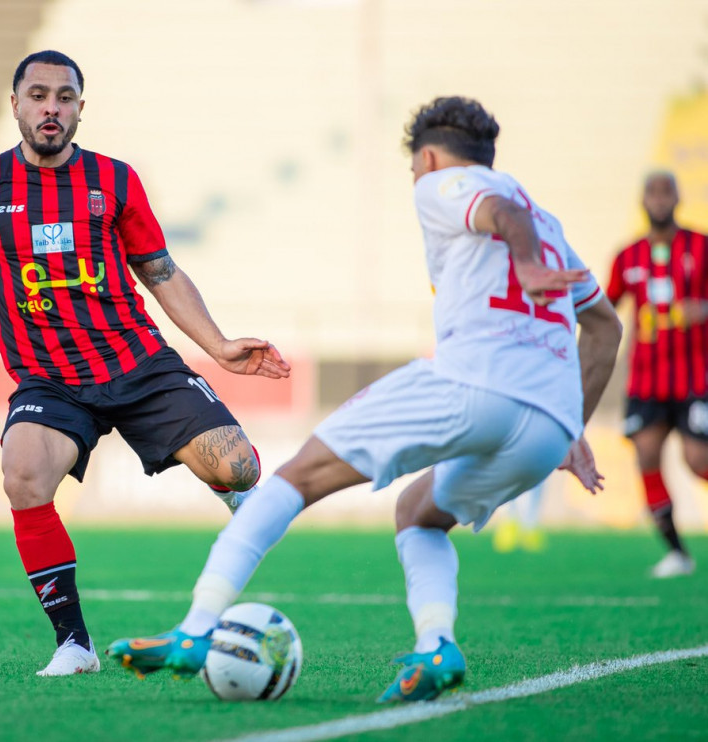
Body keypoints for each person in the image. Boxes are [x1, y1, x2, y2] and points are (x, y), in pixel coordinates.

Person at [107, 96, 623, 702]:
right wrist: (571, 425)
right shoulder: (553, 223)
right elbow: (606, 328)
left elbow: (501, 211)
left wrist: (529, 267)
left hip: (471, 383)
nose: (414, 181)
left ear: (427, 157)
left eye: (412, 169)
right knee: (419, 514)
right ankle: (437, 645)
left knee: (293, 478)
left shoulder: (445, 184)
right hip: (543, 427)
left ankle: (195, 631)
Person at [0, 50, 291, 677]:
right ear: (14, 104)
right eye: (38, 95)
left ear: (79, 109)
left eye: (64, 98)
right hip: (51, 380)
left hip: (138, 361)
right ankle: (75, 643)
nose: (51, 108)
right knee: (21, 474)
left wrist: (219, 345)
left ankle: (231, 492)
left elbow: (160, 272)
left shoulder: (116, 181)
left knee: (239, 468)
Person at [606, 171, 706, 578]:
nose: (660, 200)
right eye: (653, 193)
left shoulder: (701, 247)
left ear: (678, 199)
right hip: (646, 380)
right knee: (646, 454)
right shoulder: (627, 257)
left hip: (696, 377)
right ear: (642, 200)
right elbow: (604, 307)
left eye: (667, 192)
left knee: (698, 461)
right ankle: (677, 553)